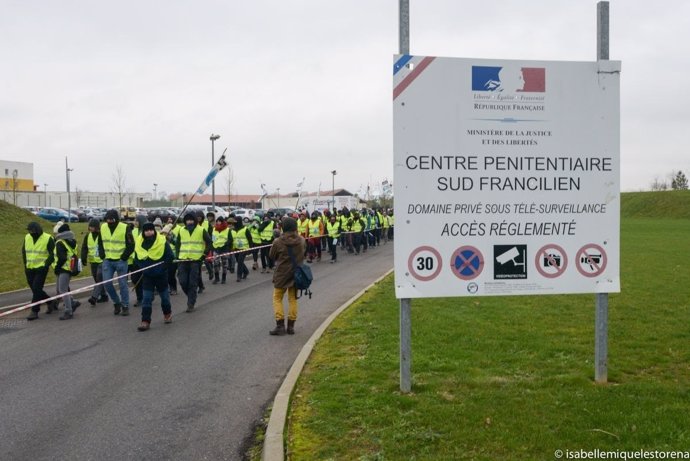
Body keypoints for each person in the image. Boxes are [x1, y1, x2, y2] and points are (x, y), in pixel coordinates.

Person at [268, 216, 306, 336]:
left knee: (277, 298)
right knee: (293, 299)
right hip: (296, 274)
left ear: (283, 228)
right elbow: (304, 252)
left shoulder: (278, 241)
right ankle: (291, 327)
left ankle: (280, 326)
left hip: (281, 274)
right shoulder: (301, 240)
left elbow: (271, 256)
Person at [134, 222, 174, 331]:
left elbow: (170, 256)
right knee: (146, 298)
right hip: (147, 275)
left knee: (164, 297)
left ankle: (167, 314)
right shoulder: (139, 242)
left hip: (161, 274)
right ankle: (145, 321)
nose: (149, 232)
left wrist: (162, 268)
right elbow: (136, 258)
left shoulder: (162, 240)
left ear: (154, 230)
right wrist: (143, 267)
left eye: (151, 230)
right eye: (146, 230)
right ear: (144, 232)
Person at [98, 209, 135, 316]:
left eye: (112, 219)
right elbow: (100, 242)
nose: (109, 221)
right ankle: (116, 302)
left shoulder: (125, 228)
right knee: (107, 283)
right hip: (107, 261)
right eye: (108, 219)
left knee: (123, 284)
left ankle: (125, 305)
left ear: (117, 219)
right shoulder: (103, 227)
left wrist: (124, 257)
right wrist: (102, 254)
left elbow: (131, 244)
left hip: (121, 261)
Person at [175, 212, 212, 312]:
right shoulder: (181, 230)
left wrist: (204, 254)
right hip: (183, 259)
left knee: (192, 282)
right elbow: (178, 243)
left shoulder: (201, 230)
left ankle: (191, 303)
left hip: (196, 260)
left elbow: (209, 242)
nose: (189, 222)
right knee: (182, 281)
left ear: (195, 220)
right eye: (187, 220)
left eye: (191, 220)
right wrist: (177, 255)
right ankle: (191, 296)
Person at [23, 222, 56, 320]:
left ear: (37, 230)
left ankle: (34, 310)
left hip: (41, 268)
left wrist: (46, 265)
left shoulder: (48, 238)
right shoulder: (27, 237)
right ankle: (50, 302)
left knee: (37, 288)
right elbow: (24, 251)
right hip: (29, 267)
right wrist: (25, 264)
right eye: (29, 230)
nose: (30, 232)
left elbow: (53, 253)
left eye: (32, 230)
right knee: (35, 290)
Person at [53, 223, 81, 320]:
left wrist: (57, 267)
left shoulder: (60, 242)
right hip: (70, 268)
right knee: (62, 288)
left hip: (63, 269)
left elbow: (62, 258)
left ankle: (68, 311)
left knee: (63, 290)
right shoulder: (73, 241)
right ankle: (73, 303)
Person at [81, 218, 109, 306]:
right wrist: (83, 258)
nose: (91, 228)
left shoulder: (102, 235)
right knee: (97, 279)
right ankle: (104, 295)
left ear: (97, 227)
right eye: (90, 226)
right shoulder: (88, 236)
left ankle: (94, 297)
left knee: (99, 279)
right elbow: (84, 247)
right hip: (93, 261)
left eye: (92, 227)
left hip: (102, 261)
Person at [211, 216, 232, 284]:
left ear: (222, 222)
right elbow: (213, 238)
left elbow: (230, 239)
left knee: (224, 264)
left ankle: (224, 278)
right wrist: (213, 247)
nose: (218, 222)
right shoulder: (214, 229)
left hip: (224, 249)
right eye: (217, 221)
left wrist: (226, 244)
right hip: (216, 248)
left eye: (219, 221)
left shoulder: (227, 229)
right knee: (215, 264)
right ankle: (217, 278)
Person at [231, 217, 253, 282]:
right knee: (238, 261)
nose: (235, 223)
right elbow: (232, 239)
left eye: (236, 221)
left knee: (240, 261)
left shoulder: (245, 229)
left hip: (244, 248)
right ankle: (246, 271)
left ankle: (239, 276)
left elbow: (250, 239)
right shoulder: (233, 230)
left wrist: (250, 249)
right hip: (236, 248)